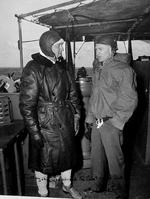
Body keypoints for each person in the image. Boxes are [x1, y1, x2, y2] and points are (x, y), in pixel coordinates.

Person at [19, 30, 82, 199]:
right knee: (43, 162)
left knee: (67, 156)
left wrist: (76, 116)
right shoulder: (32, 68)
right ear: (48, 46)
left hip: (65, 119)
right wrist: (35, 133)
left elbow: (74, 95)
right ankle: (43, 193)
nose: (62, 50)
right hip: (45, 124)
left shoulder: (63, 66)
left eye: (62, 45)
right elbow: (26, 106)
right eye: (59, 46)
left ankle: (67, 186)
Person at [85, 35, 138, 199]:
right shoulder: (98, 67)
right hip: (97, 120)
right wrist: (89, 118)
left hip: (111, 122)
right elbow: (94, 95)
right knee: (97, 158)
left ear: (111, 50)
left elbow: (130, 100)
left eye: (100, 49)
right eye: (96, 49)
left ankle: (119, 193)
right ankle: (97, 186)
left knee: (115, 162)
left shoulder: (124, 70)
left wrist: (116, 123)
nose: (96, 52)